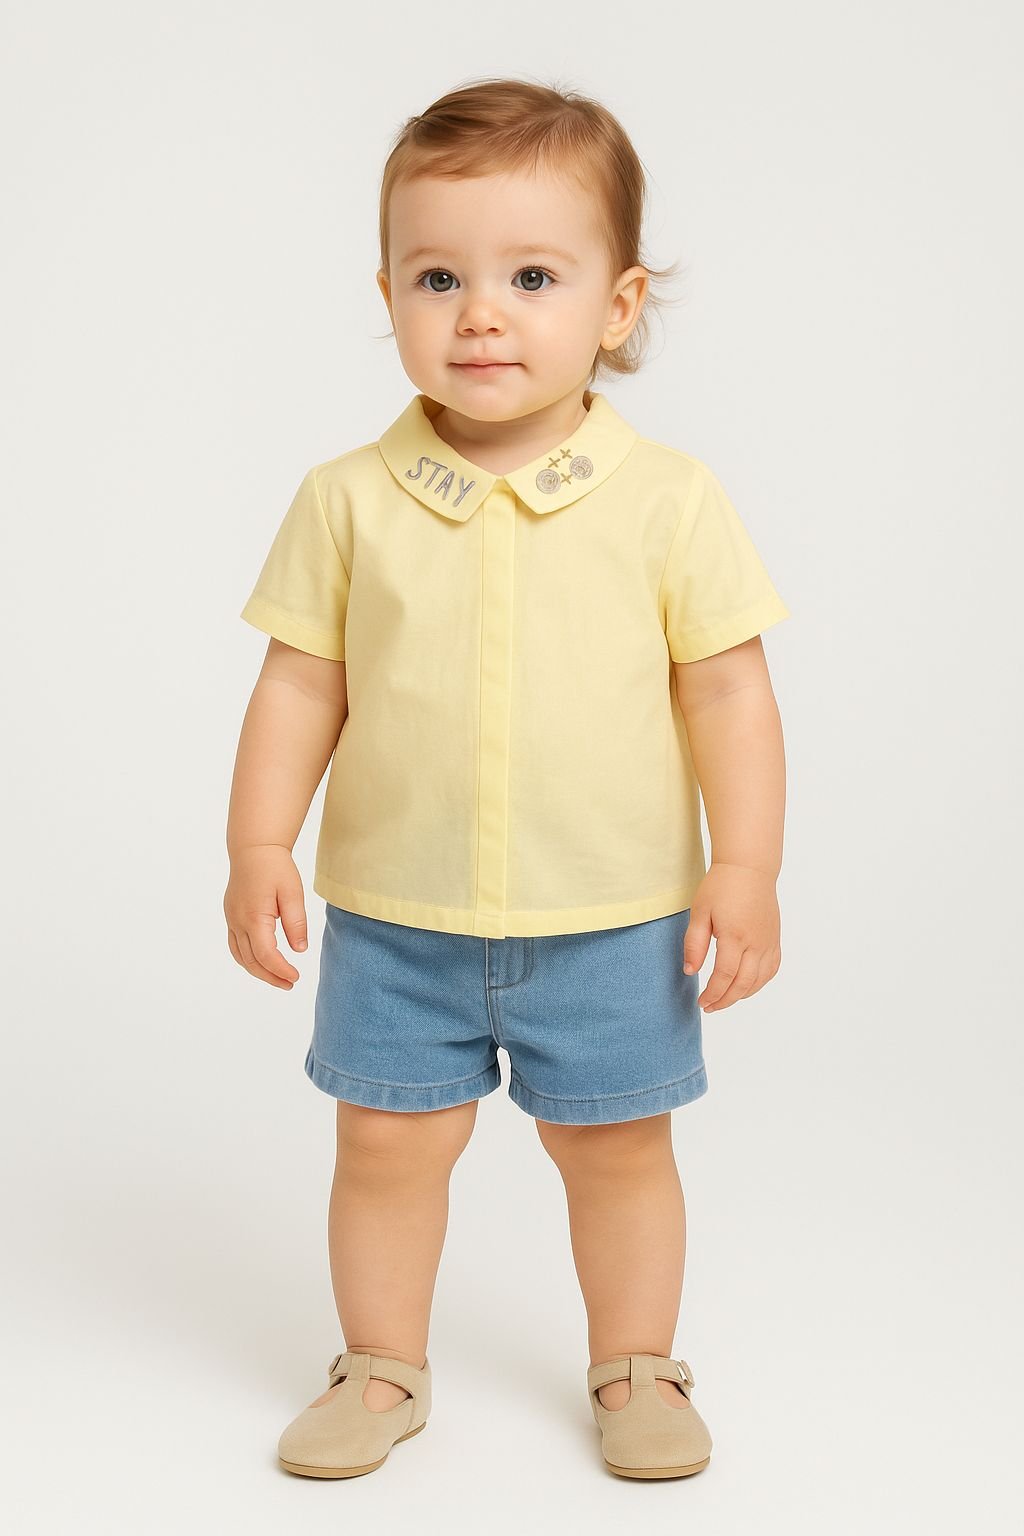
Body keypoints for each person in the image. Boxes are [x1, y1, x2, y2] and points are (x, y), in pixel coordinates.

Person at [224, 76, 790, 1483]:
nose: (481, 313)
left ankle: (638, 1364)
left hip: (613, 920)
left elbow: (727, 690)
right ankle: (379, 1365)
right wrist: (258, 844)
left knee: (619, 1155)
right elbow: (300, 683)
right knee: (384, 1150)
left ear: (618, 305)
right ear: (390, 295)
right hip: (397, 917)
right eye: (439, 278)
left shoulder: (668, 499)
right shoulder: (347, 499)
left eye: (532, 277)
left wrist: (746, 867)